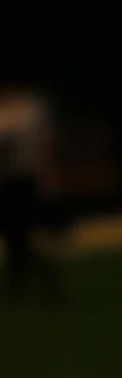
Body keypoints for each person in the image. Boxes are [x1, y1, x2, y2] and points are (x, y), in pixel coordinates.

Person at [0, 82, 59, 301]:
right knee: (15, 238)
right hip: (8, 183)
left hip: (25, 181)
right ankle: (20, 286)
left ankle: (46, 285)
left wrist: (48, 180)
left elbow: (44, 145)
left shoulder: (30, 109)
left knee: (31, 235)